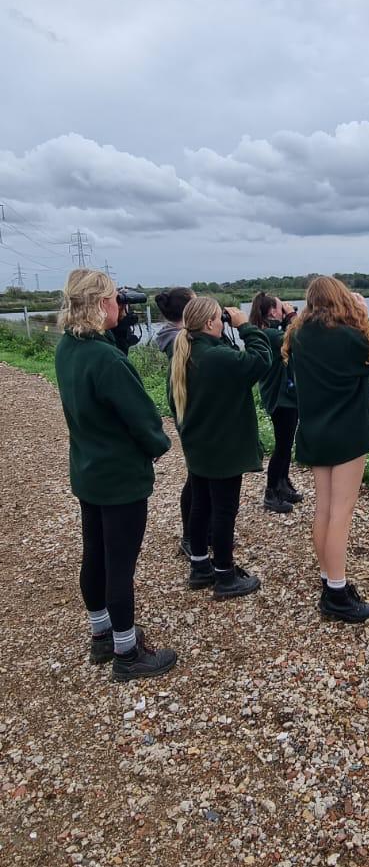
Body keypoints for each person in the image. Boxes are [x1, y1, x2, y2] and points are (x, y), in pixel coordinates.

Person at [55, 268, 178, 682]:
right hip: (119, 477)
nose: (119, 306)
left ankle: (101, 634)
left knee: (95, 553)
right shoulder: (105, 359)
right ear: (100, 303)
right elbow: (143, 419)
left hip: (88, 471)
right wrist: (159, 447)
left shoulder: (69, 349)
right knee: (121, 563)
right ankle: (128, 653)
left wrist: (118, 339)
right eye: (113, 299)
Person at [283, 277, 369, 623]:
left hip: (315, 432)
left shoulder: (299, 335)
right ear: (341, 299)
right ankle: (336, 592)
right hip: (347, 435)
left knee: (324, 509)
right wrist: (367, 317)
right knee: (341, 513)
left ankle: (329, 579)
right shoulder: (347, 335)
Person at [169, 296, 273, 599]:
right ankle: (226, 576)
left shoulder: (185, 355)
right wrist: (245, 327)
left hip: (199, 447)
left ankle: (200, 568)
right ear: (210, 323)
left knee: (201, 505)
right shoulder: (216, 357)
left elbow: (172, 403)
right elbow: (260, 360)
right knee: (224, 511)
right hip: (223, 449)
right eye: (219, 317)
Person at [248, 291, 302, 515]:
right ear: (271, 311)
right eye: (280, 307)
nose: (284, 309)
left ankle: (283, 483)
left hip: (283, 396)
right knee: (282, 445)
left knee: (286, 443)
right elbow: (300, 338)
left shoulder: (266, 333)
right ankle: (271, 492)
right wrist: (292, 316)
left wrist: (288, 318)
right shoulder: (270, 335)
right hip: (281, 398)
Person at [154, 286, 195, 556]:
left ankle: (199, 533)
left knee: (199, 476)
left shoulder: (175, 336)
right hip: (190, 413)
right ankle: (192, 536)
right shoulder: (180, 340)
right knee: (197, 478)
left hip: (187, 411)